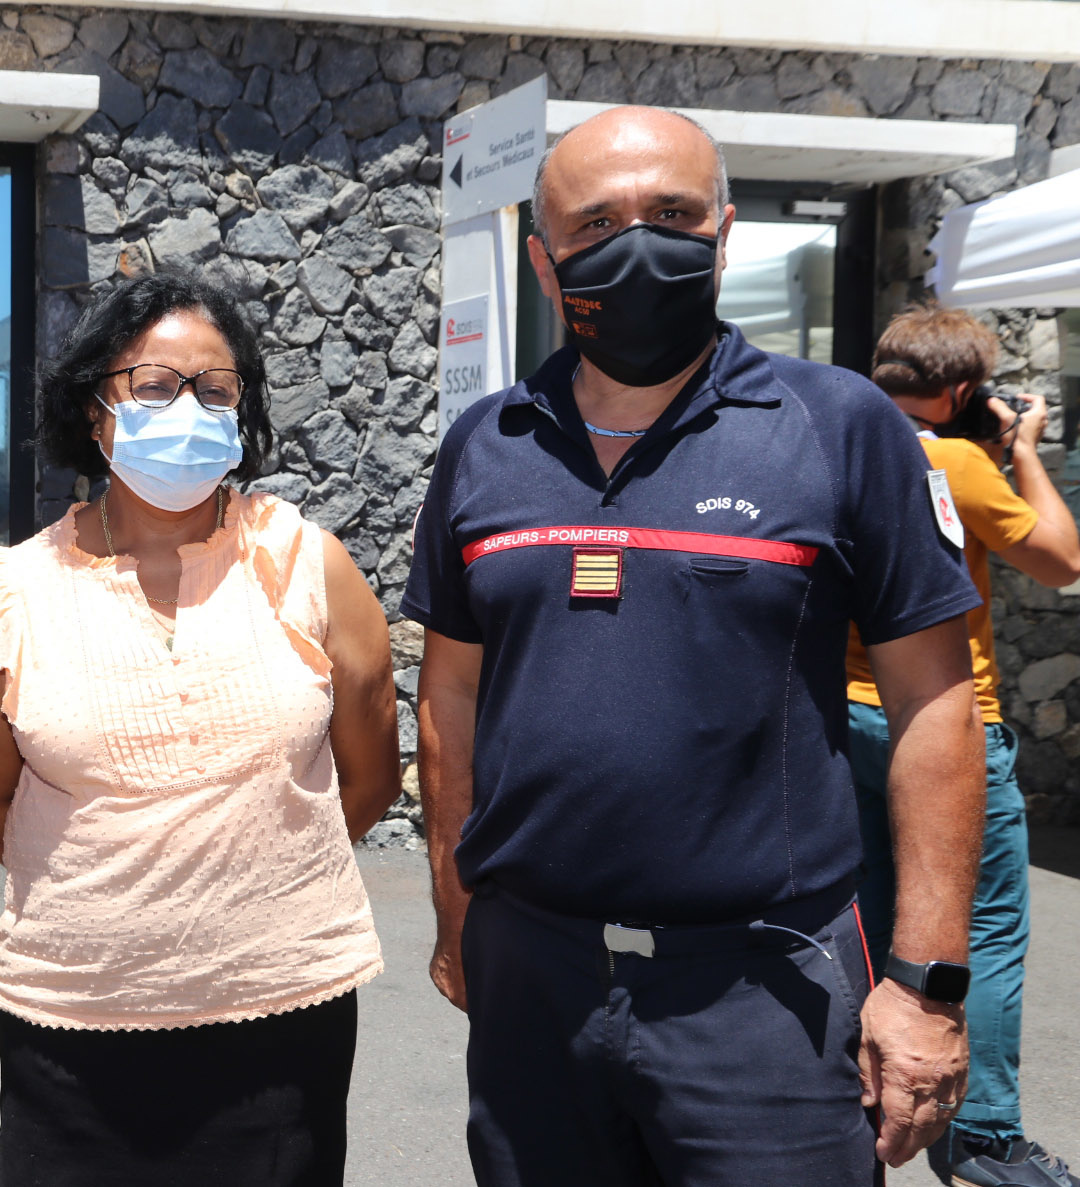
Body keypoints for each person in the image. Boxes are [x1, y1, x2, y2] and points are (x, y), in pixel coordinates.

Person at [403, 106, 989, 1187]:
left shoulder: (839, 423)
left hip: (766, 992)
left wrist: (927, 981)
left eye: (671, 213)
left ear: (723, 235)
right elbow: (450, 694)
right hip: (536, 980)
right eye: (597, 222)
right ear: (544, 261)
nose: (637, 243)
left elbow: (935, 704)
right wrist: (457, 910)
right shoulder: (486, 443)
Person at [0, 272, 400, 1187]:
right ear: (94, 409)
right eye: (153, 386)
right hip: (72, 1031)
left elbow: (371, 774)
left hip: (283, 1021)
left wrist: (252, 868)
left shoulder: (311, 566)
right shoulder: (12, 595)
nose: (187, 409)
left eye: (215, 390)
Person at [846, 306, 1080, 1187]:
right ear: (961, 391)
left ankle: (851, 1106)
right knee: (982, 922)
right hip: (944, 723)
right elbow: (1062, 560)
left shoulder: (842, 442)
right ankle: (981, 1133)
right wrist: (1023, 449)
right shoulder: (955, 461)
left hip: (843, 716)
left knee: (868, 920)